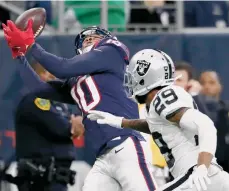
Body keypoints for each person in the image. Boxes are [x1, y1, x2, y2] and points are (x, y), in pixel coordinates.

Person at [3, 20, 157, 191]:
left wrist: (32, 44)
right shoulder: (77, 81)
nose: (89, 38)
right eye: (85, 38)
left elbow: (62, 68)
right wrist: (19, 55)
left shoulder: (113, 51)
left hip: (126, 143)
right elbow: (39, 89)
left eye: (95, 36)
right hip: (103, 156)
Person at [87, 49, 229, 191]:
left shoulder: (164, 97)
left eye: (134, 75)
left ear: (148, 76)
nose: (131, 80)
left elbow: (206, 125)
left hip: (199, 176)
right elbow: (156, 126)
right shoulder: (158, 104)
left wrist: (202, 168)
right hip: (202, 176)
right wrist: (121, 122)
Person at [0, 60, 83, 190]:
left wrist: (76, 122)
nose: (51, 76)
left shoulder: (58, 103)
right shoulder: (34, 100)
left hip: (56, 179)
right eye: (44, 72)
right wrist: (74, 123)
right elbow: (64, 129)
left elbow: (74, 128)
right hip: (39, 180)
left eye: (53, 73)